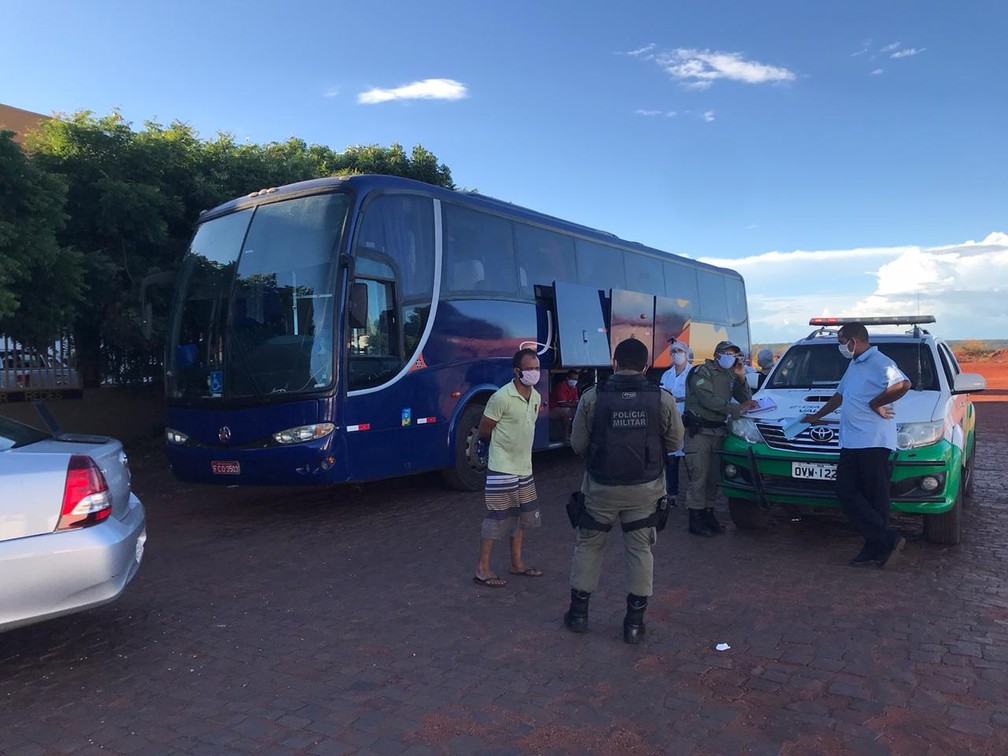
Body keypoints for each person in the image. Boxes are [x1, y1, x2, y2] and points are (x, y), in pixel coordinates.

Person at [563, 338, 684, 644]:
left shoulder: (593, 396)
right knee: (640, 550)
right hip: (645, 489)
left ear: (614, 363)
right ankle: (634, 624)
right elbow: (675, 442)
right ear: (645, 366)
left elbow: (577, 444)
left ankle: (578, 614)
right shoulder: (662, 398)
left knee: (589, 545)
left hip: (601, 488)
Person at [802, 322, 911, 568]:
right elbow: (840, 395)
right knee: (846, 490)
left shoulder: (880, 362)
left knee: (875, 496)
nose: (841, 347)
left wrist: (876, 403)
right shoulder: (855, 364)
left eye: (842, 342)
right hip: (851, 440)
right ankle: (885, 539)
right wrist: (817, 416)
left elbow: (903, 384)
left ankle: (876, 547)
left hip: (873, 441)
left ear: (854, 340)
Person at [473, 348, 544, 587]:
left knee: (522, 518)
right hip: (502, 468)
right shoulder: (501, 397)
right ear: (517, 371)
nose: (534, 373)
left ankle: (517, 563)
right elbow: (485, 429)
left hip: (525, 468)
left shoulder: (536, 397)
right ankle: (482, 569)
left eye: (536, 368)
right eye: (529, 369)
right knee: (497, 518)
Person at [682, 340, 759, 536]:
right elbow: (708, 400)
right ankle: (695, 517)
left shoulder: (730, 375)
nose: (732, 358)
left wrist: (741, 377)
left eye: (735, 355)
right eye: (729, 354)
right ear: (717, 355)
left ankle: (708, 513)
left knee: (713, 477)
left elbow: (746, 399)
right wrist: (737, 408)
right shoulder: (702, 372)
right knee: (699, 475)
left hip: (718, 432)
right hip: (700, 432)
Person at [659, 340, 692, 506]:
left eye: (680, 351)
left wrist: (678, 398)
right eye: (673, 351)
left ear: (686, 353)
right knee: (672, 459)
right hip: (671, 421)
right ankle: (672, 494)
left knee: (691, 461)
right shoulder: (666, 375)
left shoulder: (693, 373)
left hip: (688, 421)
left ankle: (694, 496)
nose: (676, 354)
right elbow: (663, 396)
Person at [550, 369, 580, 443]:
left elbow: (576, 402)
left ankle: (575, 435)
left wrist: (575, 405)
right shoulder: (561, 386)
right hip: (551, 410)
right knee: (567, 411)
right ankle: (565, 437)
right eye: (573, 379)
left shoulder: (574, 388)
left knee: (579, 411)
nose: (574, 381)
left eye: (576, 379)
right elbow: (562, 404)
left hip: (565, 408)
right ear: (567, 378)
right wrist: (574, 404)